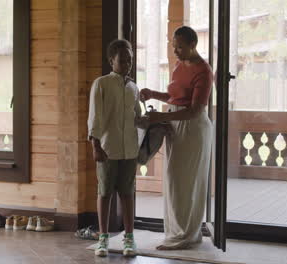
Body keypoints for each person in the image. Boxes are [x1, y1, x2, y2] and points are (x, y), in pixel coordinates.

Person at [140, 26, 213, 250]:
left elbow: (194, 110)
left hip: (192, 129)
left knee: (187, 183)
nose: (176, 51)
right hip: (175, 125)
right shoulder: (180, 66)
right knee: (173, 182)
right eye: (174, 46)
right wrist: (153, 93)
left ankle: (186, 236)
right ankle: (174, 233)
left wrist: (160, 115)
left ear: (193, 45)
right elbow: (174, 97)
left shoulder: (204, 71)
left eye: (180, 47)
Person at [87, 39, 142, 257]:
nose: (127, 63)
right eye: (122, 59)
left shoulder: (133, 87)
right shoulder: (101, 84)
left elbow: (137, 117)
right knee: (105, 192)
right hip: (107, 149)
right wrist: (96, 145)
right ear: (112, 60)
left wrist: (156, 122)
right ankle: (103, 239)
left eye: (130, 59)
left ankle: (129, 239)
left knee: (128, 194)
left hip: (130, 149)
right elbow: (95, 116)